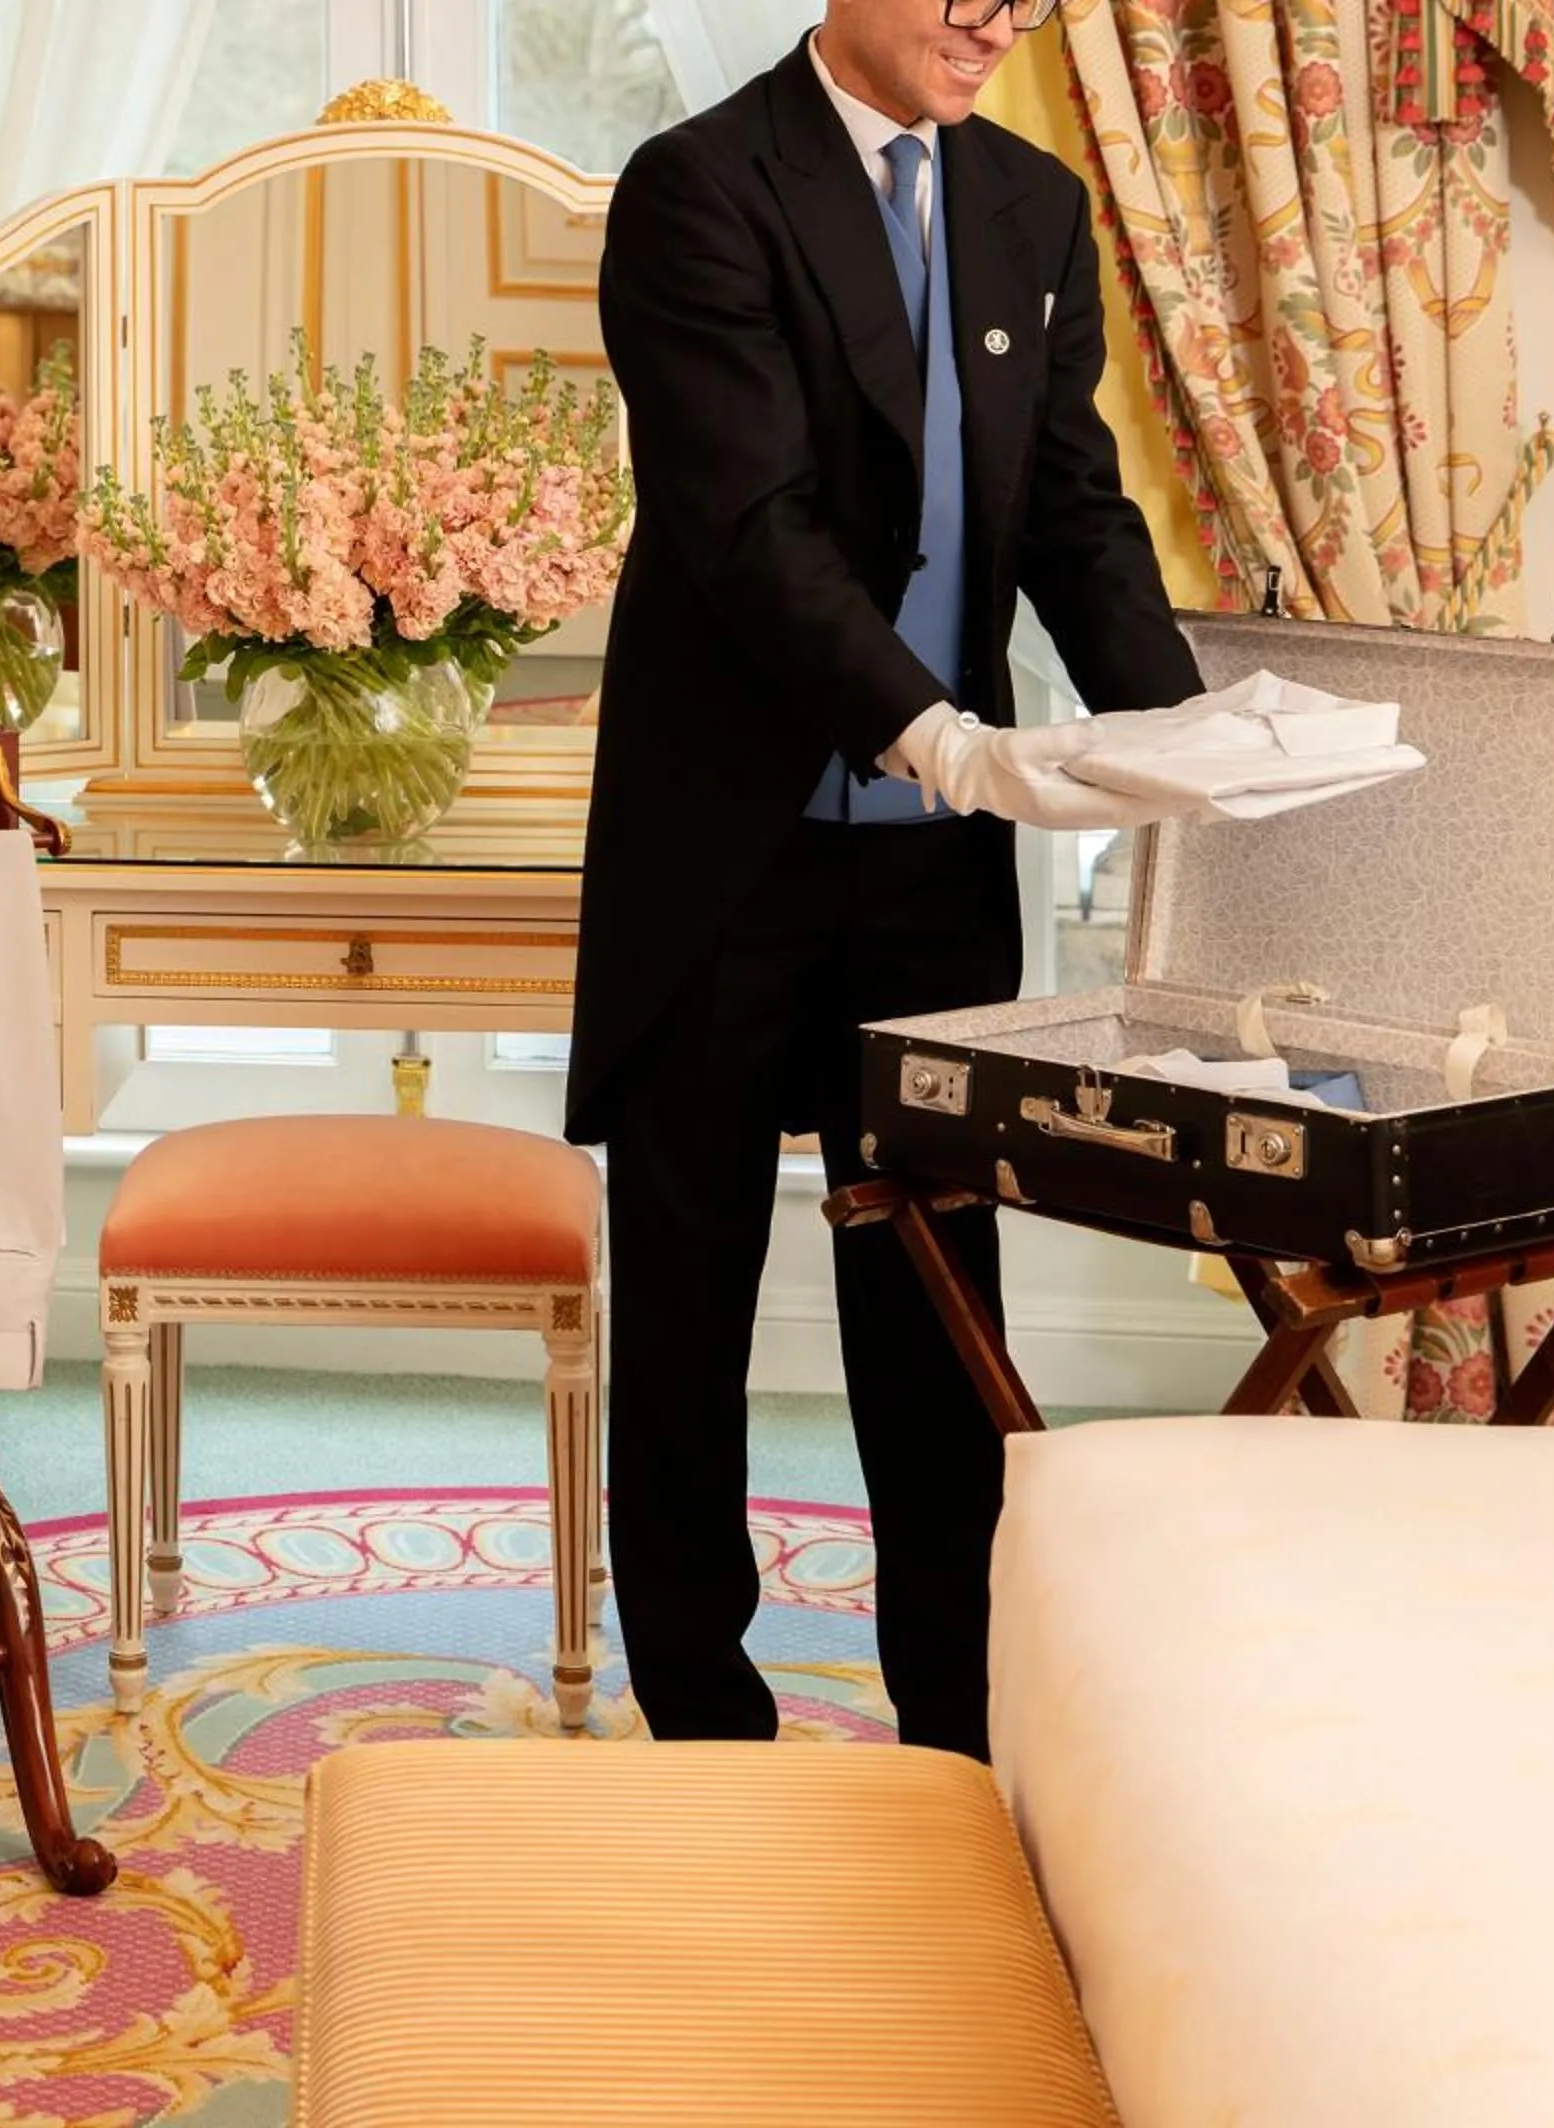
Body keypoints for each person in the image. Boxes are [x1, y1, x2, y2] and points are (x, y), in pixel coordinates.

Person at [565, 0, 1204, 1757]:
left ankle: (960, 1727)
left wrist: (1199, 740)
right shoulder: (697, 188)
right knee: (687, 1299)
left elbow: (1074, 514)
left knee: (934, 1301)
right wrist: (935, 733)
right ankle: (704, 1726)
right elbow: (748, 524)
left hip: (933, 872)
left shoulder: (1033, 205)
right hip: (726, 851)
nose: (995, 18)